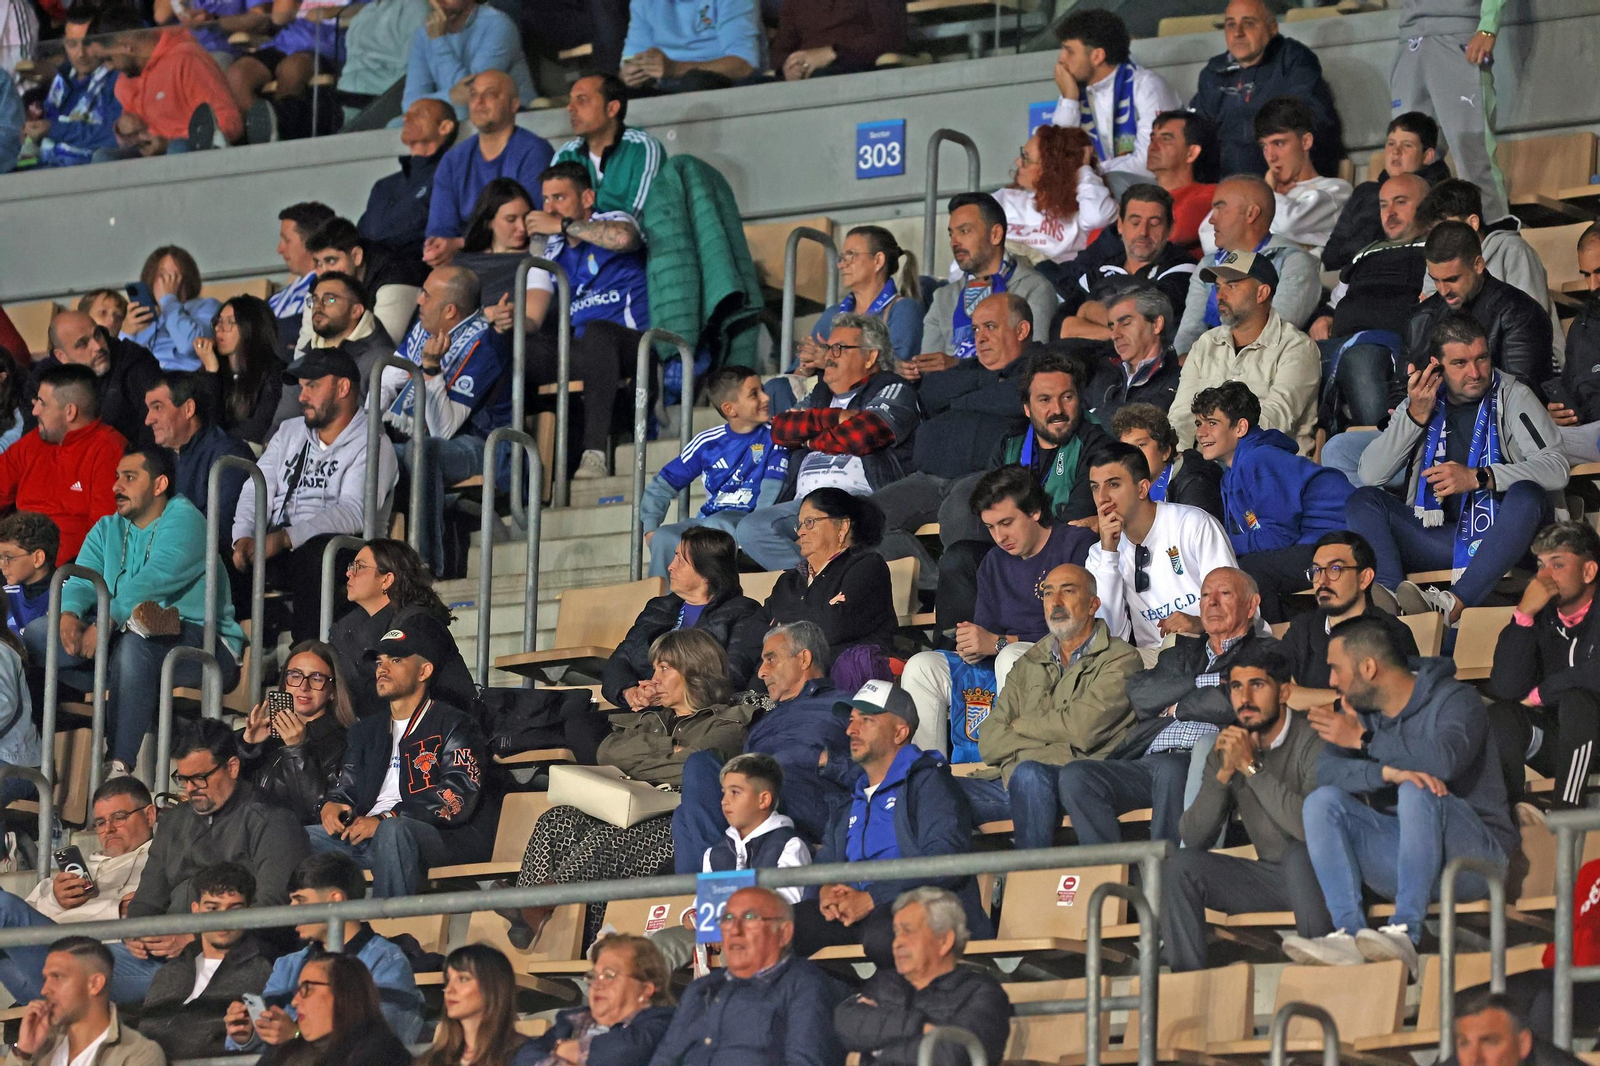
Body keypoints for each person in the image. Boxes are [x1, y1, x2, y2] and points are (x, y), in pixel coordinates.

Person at [1284, 617, 1518, 976]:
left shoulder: (1456, 699)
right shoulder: (1359, 714)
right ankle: (1347, 933)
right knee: (1322, 802)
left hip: (1474, 861)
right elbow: (1327, 774)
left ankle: (1406, 932)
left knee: (1418, 787)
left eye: (1335, 669)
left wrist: (1366, 741)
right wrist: (1385, 771)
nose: (1331, 682)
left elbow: (1445, 761)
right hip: (1402, 857)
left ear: (1368, 667)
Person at [507, 629, 754, 948]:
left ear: (695, 670)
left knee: (603, 842)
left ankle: (553, 918)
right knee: (557, 820)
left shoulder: (727, 722)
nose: (654, 679)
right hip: (625, 808)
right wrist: (670, 750)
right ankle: (530, 919)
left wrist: (650, 754)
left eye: (664, 668)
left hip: (674, 822)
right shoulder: (648, 718)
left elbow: (694, 766)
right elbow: (608, 752)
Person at [23, 446, 244, 775]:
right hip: (122, 637)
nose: (116, 487)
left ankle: (119, 765)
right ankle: (27, 757)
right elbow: (83, 579)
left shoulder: (187, 520)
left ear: (159, 485)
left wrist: (104, 622)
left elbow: (151, 582)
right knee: (38, 634)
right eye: (116, 478)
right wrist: (68, 615)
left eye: (129, 477)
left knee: (132, 647)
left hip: (203, 641)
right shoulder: (107, 528)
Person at [1348, 314, 1565, 624]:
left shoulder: (1513, 394)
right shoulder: (1422, 401)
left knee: (1528, 494)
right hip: (1445, 538)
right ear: (1437, 365)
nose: (1475, 372)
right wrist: (1414, 417)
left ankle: (1452, 603)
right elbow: (1370, 473)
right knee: (1362, 501)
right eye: (1460, 363)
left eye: (1481, 359)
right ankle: (1395, 601)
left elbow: (1557, 467)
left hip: (1510, 536)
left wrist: (1480, 477)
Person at [1053, 566, 1271, 846]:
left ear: (1251, 605)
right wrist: (1209, 681)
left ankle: (1166, 876)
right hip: (1147, 757)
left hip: (1205, 763)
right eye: (1205, 595)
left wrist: (1177, 705)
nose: (1212, 602)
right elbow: (1142, 694)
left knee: (1171, 769)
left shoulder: (1267, 653)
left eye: (1224, 594)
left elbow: (1236, 702)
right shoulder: (1181, 652)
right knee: (1077, 775)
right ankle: (1111, 872)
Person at [899, 468, 1096, 762]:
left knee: (1011, 656)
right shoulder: (993, 561)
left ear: (1035, 512)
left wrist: (999, 643)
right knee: (921, 665)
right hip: (1002, 666)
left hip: (1063, 663)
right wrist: (971, 644)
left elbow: (1081, 628)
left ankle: (1017, 768)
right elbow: (987, 636)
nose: (1000, 536)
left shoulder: (1076, 544)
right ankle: (927, 777)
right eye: (990, 527)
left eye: (1006, 523)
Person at [871, 295, 1050, 613]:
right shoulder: (968, 368)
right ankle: (944, 583)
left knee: (958, 511)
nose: (979, 337)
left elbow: (1015, 397)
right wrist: (985, 382)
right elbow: (928, 391)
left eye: (990, 327)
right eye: (976, 328)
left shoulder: (1041, 364)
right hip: (926, 479)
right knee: (865, 519)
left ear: (1021, 330)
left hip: (987, 476)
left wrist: (958, 398)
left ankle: (968, 605)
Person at [1160, 642, 1333, 972]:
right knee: (1180, 865)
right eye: (1236, 687)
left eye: (1257, 685)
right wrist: (1221, 776)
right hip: (1271, 877)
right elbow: (1194, 837)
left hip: (1326, 874)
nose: (1245, 698)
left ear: (1284, 693)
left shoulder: (1315, 737)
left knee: (1299, 855)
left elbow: (1310, 831)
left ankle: (1324, 971)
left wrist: (1252, 768)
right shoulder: (1231, 745)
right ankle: (1187, 988)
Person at [795, 681, 990, 967]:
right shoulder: (852, 798)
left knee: (886, 932)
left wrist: (874, 898)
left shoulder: (929, 783)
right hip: (857, 915)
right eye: (851, 721)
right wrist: (825, 892)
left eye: (867, 720)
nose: (851, 730)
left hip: (914, 909)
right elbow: (823, 868)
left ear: (900, 732)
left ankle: (888, 1003)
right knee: (780, 927)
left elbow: (945, 861)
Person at [124, 718, 310, 1002]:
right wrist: (136, 935)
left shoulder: (272, 820)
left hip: (232, 958)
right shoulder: (174, 822)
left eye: (200, 778)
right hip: (162, 955)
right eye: (183, 779)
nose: (190, 789)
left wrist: (196, 940)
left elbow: (272, 910)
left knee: (81, 979)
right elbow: (147, 900)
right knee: (71, 964)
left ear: (232, 767)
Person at [311, 613, 496, 898]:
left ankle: (393, 932)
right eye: (380, 661)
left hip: (435, 834)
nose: (382, 669)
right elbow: (347, 786)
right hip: (365, 833)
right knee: (294, 836)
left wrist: (386, 818)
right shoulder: (365, 730)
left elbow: (455, 796)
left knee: (394, 832)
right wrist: (332, 805)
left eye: (396, 661)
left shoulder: (455, 724)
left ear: (424, 672)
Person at [234, 348, 399, 643]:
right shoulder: (289, 432)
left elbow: (354, 511)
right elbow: (256, 486)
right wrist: (244, 536)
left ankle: (305, 658)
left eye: (312, 386)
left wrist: (286, 538)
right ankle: (233, 657)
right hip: (282, 546)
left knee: (318, 554)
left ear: (343, 387)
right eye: (301, 387)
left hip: (347, 552)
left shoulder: (373, 441)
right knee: (220, 556)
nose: (301, 396)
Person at [736, 314, 919, 572]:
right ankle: (815, 583)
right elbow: (780, 428)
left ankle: (823, 586)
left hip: (858, 500)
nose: (828, 356)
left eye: (839, 348)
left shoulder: (892, 387)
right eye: (827, 348)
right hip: (804, 503)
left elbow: (862, 435)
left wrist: (809, 440)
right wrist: (836, 417)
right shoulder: (820, 394)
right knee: (753, 528)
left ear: (870, 357)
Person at [981, 563, 1141, 844]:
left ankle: (1029, 884)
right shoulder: (1029, 660)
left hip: (1076, 785)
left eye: (1068, 591)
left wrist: (1022, 727)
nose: (1055, 602)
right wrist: (1044, 739)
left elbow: (1082, 731)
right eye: (1048, 593)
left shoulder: (1120, 659)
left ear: (1093, 605)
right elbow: (990, 740)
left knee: (1029, 775)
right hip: (1011, 781)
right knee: (925, 787)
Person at [671, 622, 849, 870]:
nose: (761, 672)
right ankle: (721, 873)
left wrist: (824, 761)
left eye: (771, 659)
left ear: (804, 658)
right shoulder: (765, 720)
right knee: (698, 768)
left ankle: (716, 880)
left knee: (689, 819)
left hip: (806, 797)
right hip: (758, 797)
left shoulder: (845, 704)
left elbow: (883, 769)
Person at [521, 160, 650, 479]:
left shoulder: (614, 220)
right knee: (519, 349)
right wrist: (506, 321)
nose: (549, 207)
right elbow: (532, 318)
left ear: (588, 198)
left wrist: (562, 226)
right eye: (546, 199)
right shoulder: (549, 251)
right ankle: (515, 470)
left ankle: (593, 453)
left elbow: (624, 239)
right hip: (588, 352)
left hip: (635, 344)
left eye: (559, 198)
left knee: (597, 332)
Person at [383, 265, 510, 575]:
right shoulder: (422, 331)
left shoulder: (486, 346)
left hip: (481, 444)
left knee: (422, 450)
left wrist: (430, 369)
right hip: (414, 438)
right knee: (369, 452)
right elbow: (387, 382)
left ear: (450, 310)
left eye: (426, 295)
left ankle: (424, 565)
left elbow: (444, 429)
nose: (419, 301)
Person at [1192, 381, 1353, 622]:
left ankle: (1271, 649)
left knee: (1248, 572)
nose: (1201, 433)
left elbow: (1279, 536)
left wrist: (1220, 546)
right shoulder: (1232, 474)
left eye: (1212, 423)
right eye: (1198, 423)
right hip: (1309, 545)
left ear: (1240, 427)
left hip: (1342, 543)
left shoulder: (1259, 459)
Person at [226, 853, 424, 1049]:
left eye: (301, 900)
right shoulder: (287, 964)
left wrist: (296, 1035)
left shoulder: (387, 961)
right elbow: (265, 1043)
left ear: (335, 900)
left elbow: (384, 1043)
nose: (291, 910)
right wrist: (248, 1035)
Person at [647, 886, 844, 1066]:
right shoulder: (701, 989)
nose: (735, 931)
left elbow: (805, 1061)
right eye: (727, 920)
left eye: (750, 919)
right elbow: (665, 1058)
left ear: (784, 933)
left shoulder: (804, 986)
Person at [0, 778, 154, 1005]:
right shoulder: (73, 872)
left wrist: (115, 909)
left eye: (119, 817)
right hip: (39, 966)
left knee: (3, 905)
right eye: (101, 822)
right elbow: (22, 918)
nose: (108, 829)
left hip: (98, 959)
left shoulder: (160, 863)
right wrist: (55, 901)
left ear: (149, 815)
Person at [1486, 521, 1600, 811]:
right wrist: (1523, 615)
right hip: (1564, 744)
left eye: (1558, 565)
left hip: (1591, 729)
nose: (1544, 577)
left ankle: (1566, 813)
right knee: (1501, 715)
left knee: (1577, 701)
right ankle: (1507, 816)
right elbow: (1506, 687)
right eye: (1540, 565)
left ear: (1588, 571)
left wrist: (1541, 694)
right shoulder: (1542, 615)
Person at [1086, 442, 1240, 654]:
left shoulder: (1193, 524)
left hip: (1211, 643)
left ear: (1142, 488)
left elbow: (1236, 606)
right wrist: (1109, 555)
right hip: (1151, 660)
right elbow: (1111, 637)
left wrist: (1199, 623)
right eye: (1095, 487)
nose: (1102, 498)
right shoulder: (1100, 555)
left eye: (1113, 485)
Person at [834, 887, 1012, 1066]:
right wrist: (917, 1026)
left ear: (944, 941)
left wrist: (876, 1051)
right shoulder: (886, 983)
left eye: (908, 931)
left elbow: (949, 1058)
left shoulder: (982, 993)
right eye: (896, 932)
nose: (897, 943)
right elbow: (845, 1024)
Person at [1310, 172, 1431, 431]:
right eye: (1384, 204)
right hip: (1341, 341)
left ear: (1427, 206)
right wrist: (1324, 316)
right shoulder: (1366, 250)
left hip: (1393, 345)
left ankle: (1381, 446)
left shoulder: (1435, 247)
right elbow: (1336, 299)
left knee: (1361, 358)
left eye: (1400, 202)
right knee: (1290, 355)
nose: (1390, 212)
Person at [644, 367, 789, 578]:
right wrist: (650, 527)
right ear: (730, 409)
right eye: (754, 394)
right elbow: (662, 484)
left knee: (714, 526)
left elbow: (773, 487)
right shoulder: (708, 442)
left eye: (763, 390)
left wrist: (755, 526)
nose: (766, 397)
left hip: (747, 520)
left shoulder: (775, 435)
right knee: (664, 537)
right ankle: (662, 608)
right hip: (710, 520)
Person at [1172, 250, 1320, 455]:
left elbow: (1275, 420)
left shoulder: (1296, 347)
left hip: (1267, 466)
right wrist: (1175, 458)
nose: (1220, 296)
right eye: (1218, 287)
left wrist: (1217, 445)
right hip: (1206, 468)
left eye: (1231, 286)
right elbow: (1182, 414)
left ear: (1262, 293)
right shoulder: (1206, 344)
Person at [602, 526, 767, 709]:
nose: (670, 566)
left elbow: (733, 675)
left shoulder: (742, 612)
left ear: (706, 573)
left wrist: (666, 693)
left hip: (697, 714)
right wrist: (630, 691)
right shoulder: (659, 608)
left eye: (680, 560)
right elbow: (620, 660)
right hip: (643, 710)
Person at [1188, 0, 1341, 180]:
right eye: (1230, 24)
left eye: (1248, 23)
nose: (1237, 33)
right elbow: (1196, 131)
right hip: (1224, 185)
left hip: (1283, 182)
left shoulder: (1294, 61)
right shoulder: (1214, 72)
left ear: (1272, 28)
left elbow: (1307, 122)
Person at [138, 863, 274, 1061]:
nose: (222, 919)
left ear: (249, 911)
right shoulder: (171, 970)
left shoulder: (264, 970)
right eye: (212, 908)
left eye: (234, 909)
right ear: (196, 910)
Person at [1418, 180, 1564, 363]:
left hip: (1531, 359)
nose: (1441, 238)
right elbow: (1433, 321)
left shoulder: (1513, 250)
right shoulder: (1439, 262)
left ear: (1472, 223)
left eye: (1448, 228)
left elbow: (1529, 322)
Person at [1173, 176, 1321, 355]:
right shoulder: (1208, 264)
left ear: (1251, 214)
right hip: (1207, 366)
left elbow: (1277, 330)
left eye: (1220, 209)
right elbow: (1189, 332)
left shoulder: (1293, 261)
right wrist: (1185, 362)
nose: (1212, 220)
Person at [331, 538, 476, 719]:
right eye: (350, 567)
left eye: (359, 567)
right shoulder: (345, 632)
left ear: (387, 579)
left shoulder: (418, 624)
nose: (349, 574)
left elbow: (403, 696)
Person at [784, 225, 924, 410]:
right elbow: (796, 373)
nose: (842, 264)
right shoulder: (833, 314)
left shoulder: (903, 308)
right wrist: (807, 364)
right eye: (841, 258)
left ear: (878, 260)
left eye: (851, 255)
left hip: (874, 400)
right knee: (778, 387)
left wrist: (827, 358)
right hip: (825, 395)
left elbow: (897, 370)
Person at [1407, 219, 1554, 394]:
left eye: (1452, 279)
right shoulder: (1422, 317)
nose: (1443, 290)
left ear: (1478, 265)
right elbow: (1401, 389)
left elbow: (1520, 393)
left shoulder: (1520, 313)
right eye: (1435, 280)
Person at [1392, 0, 1507, 224]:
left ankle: (1498, 242)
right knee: (1408, 158)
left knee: (1472, 156)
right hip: (1409, 37)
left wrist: (1488, 25)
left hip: (1460, 32)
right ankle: (1420, 249)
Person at [918, 192, 1059, 369]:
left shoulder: (1035, 287)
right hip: (950, 393)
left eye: (964, 231)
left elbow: (1033, 361)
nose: (954, 242)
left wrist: (958, 364)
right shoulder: (943, 297)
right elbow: (929, 369)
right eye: (951, 234)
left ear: (996, 234)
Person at [0, 364, 125, 563]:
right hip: (13, 564)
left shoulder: (109, 450)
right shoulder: (34, 442)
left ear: (70, 412)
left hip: (66, 574)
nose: (34, 411)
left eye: (42, 403)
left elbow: (104, 536)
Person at [1277, 531, 1416, 707]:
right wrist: (1343, 700)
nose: (1322, 581)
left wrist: (1304, 699)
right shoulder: (1302, 628)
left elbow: (1384, 706)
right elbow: (1276, 692)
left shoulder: (1392, 633)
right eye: (1316, 570)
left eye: (1335, 569)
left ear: (1364, 578)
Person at [1048, 9, 1181, 190]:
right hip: (1094, 194)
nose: (1061, 59)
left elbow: (1149, 163)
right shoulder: (1074, 91)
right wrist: (1068, 99)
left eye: (1069, 51)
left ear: (1097, 56)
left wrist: (1090, 173)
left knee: (1111, 182)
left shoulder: (1147, 86)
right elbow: (1057, 159)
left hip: (1149, 193)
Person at [763, 489, 897, 666]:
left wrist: (781, 625)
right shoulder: (788, 581)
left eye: (809, 522)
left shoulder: (867, 566)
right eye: (800, 524)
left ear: (842, 527)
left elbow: (834, 627)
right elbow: (760, 632)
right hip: (786, 680)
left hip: (845, 679)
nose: (801, 532)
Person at [1053, 189, 1196, 355]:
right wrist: (1119, 335)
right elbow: (1061, 328)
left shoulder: (1182, 268)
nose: (1143, 232)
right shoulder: (1101, 268)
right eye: (1135, 222)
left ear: (1170, 229)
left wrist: (1087, 310)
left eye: (1155, 223)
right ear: (1120, 225)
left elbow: (1148, 321)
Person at [424, 72, 552, 255]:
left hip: (517, 259)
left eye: (490, 94)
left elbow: (529, 225)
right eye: (474, 94)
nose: (479, 101)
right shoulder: (453, 159)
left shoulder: (535, 151)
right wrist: (438, 248)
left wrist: (459, 243)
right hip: (463, 261)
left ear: (514, 105)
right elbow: (440, 229)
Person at [88, 10, 242, 153]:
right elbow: (135, 139)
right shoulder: (124, 80)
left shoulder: (187, 59)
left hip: (193, 157)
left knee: (178, 148)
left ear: (126, 47)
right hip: (151, 162)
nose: (107, 68)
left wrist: (168, 142)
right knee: (104, 156)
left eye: (107, 59)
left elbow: (229, 122)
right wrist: (124, 131)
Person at [239, 640, 354, 825]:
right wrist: (246, 747)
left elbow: (318, 814)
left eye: (316, 678)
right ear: (285, 682)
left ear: (332, 690)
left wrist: (297, 750)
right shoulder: (261, 735)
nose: (303, 686)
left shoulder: (345, 744)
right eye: (295, 675)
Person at [6, 938, 165, 1066]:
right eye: (45, 979)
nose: (44, 990)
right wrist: (23, 1052)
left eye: (57, 977)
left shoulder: (137, 1054)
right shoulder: (43, 1045)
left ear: (95, 984)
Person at [1323, 111, 1450, 271]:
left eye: (1407, 145)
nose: (1396, 151)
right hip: (1347, 274)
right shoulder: (1365, 191)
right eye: (1391, 144)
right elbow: (1333, 250)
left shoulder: (1438, 194)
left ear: (1427, 156)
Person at [523, 935, 676, 1065]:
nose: (597, 984)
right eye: (594, 976)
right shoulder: (573, 1020)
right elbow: (525, 1056)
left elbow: (626, 1051)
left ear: (645, 989)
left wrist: (574, 1051)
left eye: (609, 975)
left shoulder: (662, 1022)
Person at [144, 371, 255, 545]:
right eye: (148, 409)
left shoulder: (228, 455)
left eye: (158, 407)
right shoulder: (164, 459)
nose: (148, 420)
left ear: (188, 409)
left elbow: (223, 533)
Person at [991, 124, 1117, 270]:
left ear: (1051, 170)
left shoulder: (1081, 211)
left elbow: (1097, 217)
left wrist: (1083, 169)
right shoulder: (1005, 199)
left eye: (1026, 158)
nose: (1018, 162)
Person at [1241, 95, 1352, 258]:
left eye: (1279, 143)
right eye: (1264, 146)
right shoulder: (1260, 193)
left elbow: (1288, 224)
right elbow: (1212, 234)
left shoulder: (1336, 190)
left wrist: (1268, 193)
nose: (1270, 156)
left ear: (1306, 141)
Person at [253, 954, 411, 1066]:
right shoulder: (288, 1050)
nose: (295, 1002)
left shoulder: (380, 1054)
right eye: (297, 990)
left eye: (307, 989)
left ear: (342, 991)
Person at [359, 98, 458, 268]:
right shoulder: (383, 186)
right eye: (407, 114)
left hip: (414, 273)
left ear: (445, 127)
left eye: (419, 114)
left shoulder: (451, 176)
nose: (406, 119)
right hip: (369, 275)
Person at [40, 309, 161, 446]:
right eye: (83, 344)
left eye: (97, 335)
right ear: (62, 357)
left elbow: (155, 432)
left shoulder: (134, 361)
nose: (97, 346)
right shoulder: (44, 379)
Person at [401, 0, 535, 124]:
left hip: (511, 118)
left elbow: (473, 98)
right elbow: (409, 104)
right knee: (397, 125)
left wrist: (438, 42)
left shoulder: (498, 25)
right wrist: (451, 97)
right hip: (452, 120)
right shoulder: (423, 34)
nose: (438, 2)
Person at [551, 71, 665, 216]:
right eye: (570, 100)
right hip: (577, 238)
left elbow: (637, 221)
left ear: (611, 108)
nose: (570, 107)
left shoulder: (642, 148)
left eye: (582, 99)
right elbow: (552, 214)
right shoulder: (566, 155)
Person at [701, 753, 812, 898]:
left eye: (735, 792)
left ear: (764, 800)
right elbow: (706, 905)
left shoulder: (789, 846)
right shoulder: (714, 854)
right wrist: (692, 913)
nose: (724, 801)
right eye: (724, 793)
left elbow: (789, 905)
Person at [302, 218, 418, 354]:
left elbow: (382, 347)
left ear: (357, 256)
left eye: (331, 260)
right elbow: (305, 340)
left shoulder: (396, 273)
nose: (324, 271)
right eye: (318, 263)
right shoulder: (321, 279)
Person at [417, 944, 546, 1066]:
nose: (449, 989)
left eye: (463, 979)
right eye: (448, 980)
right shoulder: (433, 1059)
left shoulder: (527, 1056)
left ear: (492, 987)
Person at [26, 8, 120, 167]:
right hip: (42, 172)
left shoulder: (115, 78)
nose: (80, 54)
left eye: (88, 44)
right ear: (64, 42)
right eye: (72, 44)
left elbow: (114, 137)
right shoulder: (59, 78)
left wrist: (54, 129)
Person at [1080, 281, 1186, 421]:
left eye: (1126, 323)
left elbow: (1137, 426)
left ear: (1156, 324)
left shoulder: (1178, 381)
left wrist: (1095, 415)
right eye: (1112, 327)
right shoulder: (1104, 373)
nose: (1115, 335)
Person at [294, 271, 398, 404]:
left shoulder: (380, 361)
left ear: (356, 310)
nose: (318, 306)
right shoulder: (300, 362)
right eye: (314, 300)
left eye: (330, 299)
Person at [195, 295, 286, 446]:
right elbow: (202, 426)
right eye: (218, 321)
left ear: (252, 328)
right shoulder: (212, 369)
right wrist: (211, 372)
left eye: (229, 322)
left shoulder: (274, 373)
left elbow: (257, 431)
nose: (219, 329)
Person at [618, 0, 763, 94]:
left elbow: (743, 65)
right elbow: (629, 62)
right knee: (614, 94)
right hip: (665, 88)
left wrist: (675, 69)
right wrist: (630, 75)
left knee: (696, 82)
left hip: (725, 88)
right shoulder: (643, 3)